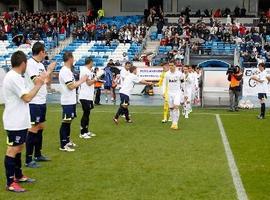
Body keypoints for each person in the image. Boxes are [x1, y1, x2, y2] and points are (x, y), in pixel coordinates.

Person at [3, 51, 45, 192]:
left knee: (19, 147)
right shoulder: (12, 77)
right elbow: (27, 97)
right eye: (26, 63)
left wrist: (36, 85)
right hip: (14, 120)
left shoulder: (18, 77)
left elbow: (27, 94)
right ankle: (10, 182)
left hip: (20, 119)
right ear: (23, 63)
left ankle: (18, 175)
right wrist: (38, 85)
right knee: (12, 149)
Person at [24, 42, 56, 168]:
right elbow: (37, 81)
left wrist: (50, 73)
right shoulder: (30, 64)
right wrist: (49, 70)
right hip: (34, 101)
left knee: (41, 127)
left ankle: (38, 154)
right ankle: (28, 159)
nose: (45, 54)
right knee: (33, 128)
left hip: (42, 100)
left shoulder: (41, 65)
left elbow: (46, 81)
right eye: (45, 52)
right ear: (41, 51)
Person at [58, 52, 88, 152]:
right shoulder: (65, 71)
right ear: (70, 58)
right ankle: (63, 144)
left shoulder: (68, 71)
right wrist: (82, 81)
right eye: (73, 58)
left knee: (69, 121)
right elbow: (70, 86)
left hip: (70, 100)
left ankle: (67, 140)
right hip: (67, 101)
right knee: (65, 122)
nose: (74, 60)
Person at [78, 58, 97, 139]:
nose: (93, 64)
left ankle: (86, 130)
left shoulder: (89, 71)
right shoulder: (84, 70)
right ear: (90, 62)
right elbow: (88, 83)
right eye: (92, 62)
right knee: (86, 113)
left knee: (87, 113)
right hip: (84, 95)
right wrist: (95, 79)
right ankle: (82, 132)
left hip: (88, 96)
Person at [163, 63, 183, 129]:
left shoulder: (179, 74)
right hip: (169, 93)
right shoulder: (167, 74)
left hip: (177, 93)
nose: (170, 67)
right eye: (170, 65)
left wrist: (184, 93)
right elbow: (164, 84)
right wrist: (163, 92)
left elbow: (183, 83)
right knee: (171, 108)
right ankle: (173, 123)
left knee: (176, 107)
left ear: (175, 66)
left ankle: (175, 123)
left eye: (172, 65)